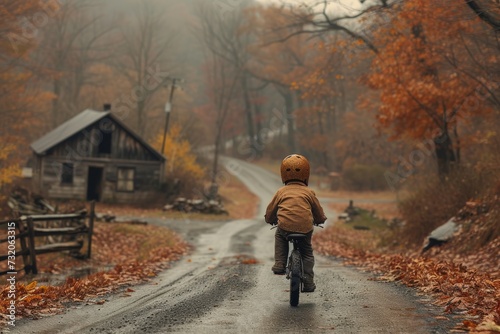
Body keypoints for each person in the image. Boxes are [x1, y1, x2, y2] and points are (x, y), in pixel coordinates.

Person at [264, 154, 327, 292]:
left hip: (285, 227)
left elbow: (270, 211)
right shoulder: (309, 192)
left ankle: (280, 264)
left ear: (283, 174)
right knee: (307, 253)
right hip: (305, 228)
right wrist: (320, 219)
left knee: (280, 236)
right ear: (306, 173)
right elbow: (318, 212)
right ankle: (309, 282)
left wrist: (270, 219)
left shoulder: (281, 192)